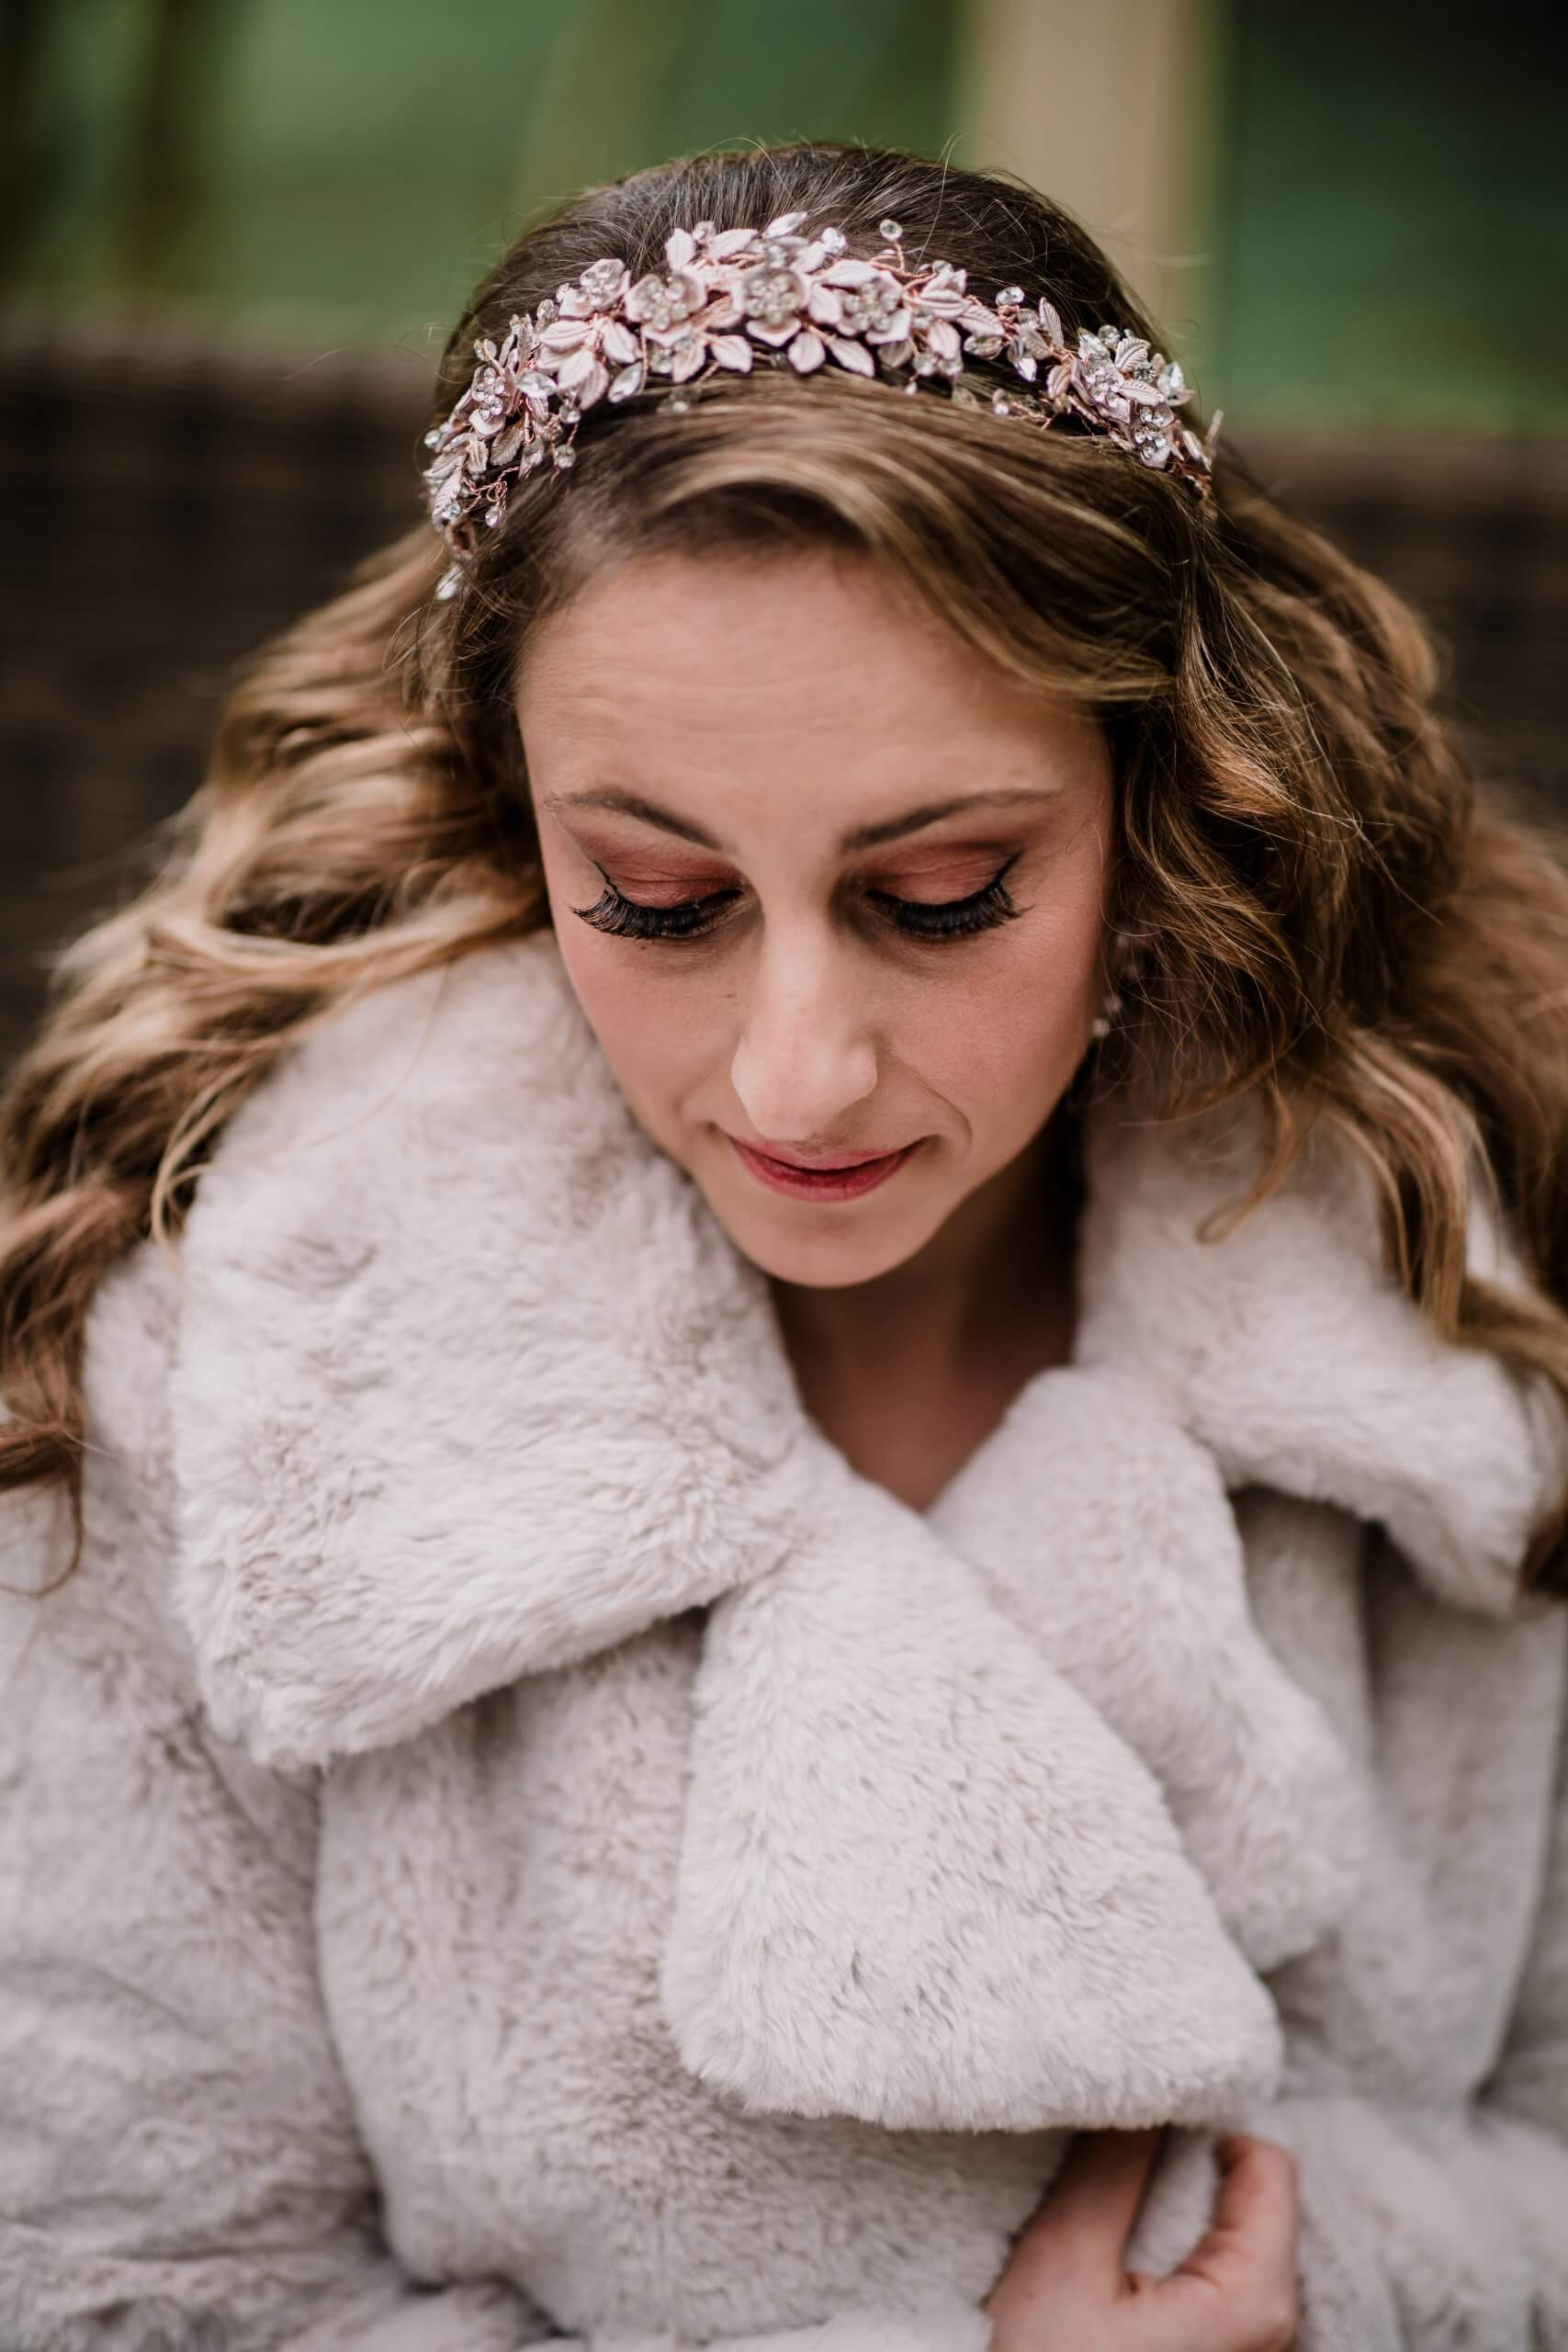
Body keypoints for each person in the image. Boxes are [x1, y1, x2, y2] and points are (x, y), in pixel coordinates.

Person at [1, 140, 1565, 2352]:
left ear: (1154, 808)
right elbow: (114, 2290)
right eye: (653, 898)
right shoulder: (217, 1384)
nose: (794, 1074)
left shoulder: (1447, 1304)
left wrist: (1334, 2298)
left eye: (940, 896)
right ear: (506, 813)